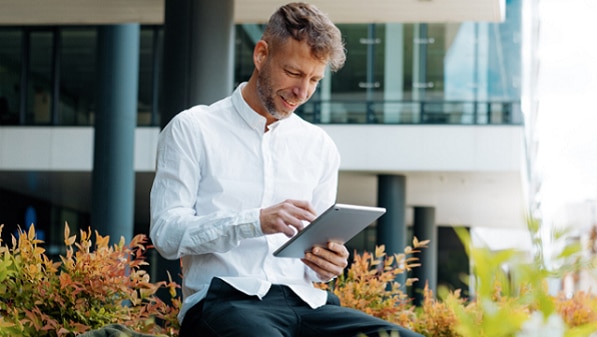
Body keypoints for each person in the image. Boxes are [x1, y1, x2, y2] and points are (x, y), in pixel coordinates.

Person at [150, 2, 424, 337]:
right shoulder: (193, 128)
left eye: (314, 79)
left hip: (308, 305)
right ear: (261, 55)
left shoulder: (319, 146)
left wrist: (329, 264)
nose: (302, 92)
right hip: (225, 303)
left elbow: (317, 262)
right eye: (294, 73)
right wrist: (255, 221)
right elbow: (166, 234)